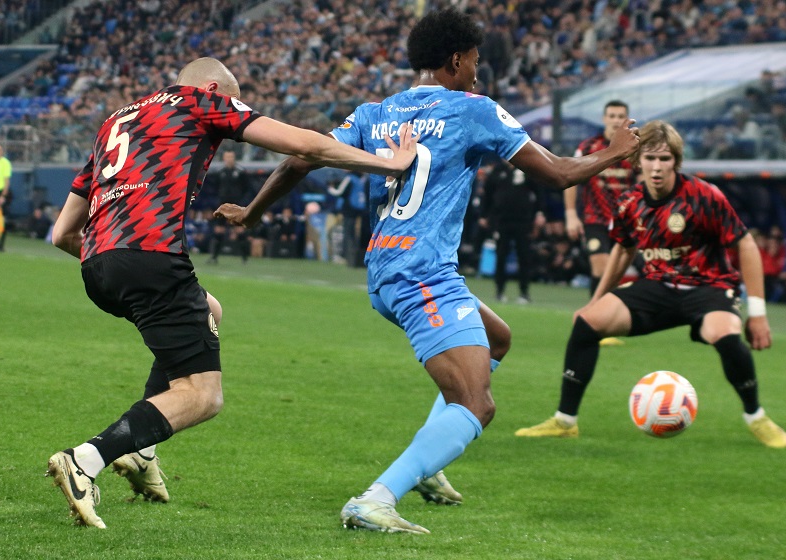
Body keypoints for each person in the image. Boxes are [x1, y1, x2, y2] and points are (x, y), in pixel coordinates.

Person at [215, 8, 639, 534]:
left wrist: (252, 212)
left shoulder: (375, 112)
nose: (477, 74)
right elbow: (556, 174)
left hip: (385, 268)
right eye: (475, 62)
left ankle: (430, 464)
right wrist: (614, 153)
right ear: (456, 60)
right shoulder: (473, 109)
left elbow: (299, 160)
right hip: (422, 274)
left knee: (497, 339)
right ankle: (376, 499)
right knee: (477, 404)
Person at [46, 57, 417, 529]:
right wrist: (390, 163)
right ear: (214, 88)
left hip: (96, 265)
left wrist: (115, 259)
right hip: (150, 257)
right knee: (204, 395)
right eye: (234, 101)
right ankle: (86, 459)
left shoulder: (116, 121)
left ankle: (142, 452)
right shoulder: (200, 102)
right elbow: (307, 146)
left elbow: (62, 233)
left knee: (209, 309)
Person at [515, 121, 786, 450]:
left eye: (664, 159)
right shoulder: (630, 202)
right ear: (637, 161)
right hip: (658, 286)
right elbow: (623, 250)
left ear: (676, 161)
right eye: (650, 158)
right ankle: (564, 421)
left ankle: (755, 416)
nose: (657, 167)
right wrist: (596, 300)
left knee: (725, 334)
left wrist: (757, 313)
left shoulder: (703, 196)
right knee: (587, 322)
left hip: (709, 287)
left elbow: (745, 244)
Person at [566, 100, 636, 345]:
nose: (616, 120)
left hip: (626, 221)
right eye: (612, 115)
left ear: (627, 119)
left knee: (618, 271)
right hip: (595, 218)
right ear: (604, 118)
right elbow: (571, 177)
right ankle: (596, 321)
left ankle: (605, 320)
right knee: (601, 267)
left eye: (620, 116)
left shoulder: (634, 147)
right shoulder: (588, 147)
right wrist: (570, 214)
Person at [479, 160, 541, 304]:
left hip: (523, 220)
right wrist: (484, 215)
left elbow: (538, 192)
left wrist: (539, 212)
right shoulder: (497, 171)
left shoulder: (526, 167)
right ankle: (499, 291)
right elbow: (488, 193)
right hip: (501, 220)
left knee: (524, 256)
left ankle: (524, 292)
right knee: (501, 256)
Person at [207, 151, 253, 263]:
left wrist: (242, 202)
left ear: (234, 158)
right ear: (224, 158)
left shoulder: (241, 172)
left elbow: (247, 188)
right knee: (219, 230)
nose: (229, 159)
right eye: (227, 157)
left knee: (239, 230)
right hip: (223, 206)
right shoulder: (220, 172)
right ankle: (214, 257)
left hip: (236, 205)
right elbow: (216, 188)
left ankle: (244, 258)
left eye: (231, 157)